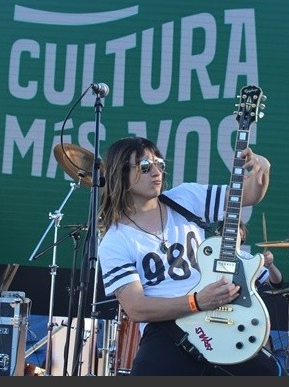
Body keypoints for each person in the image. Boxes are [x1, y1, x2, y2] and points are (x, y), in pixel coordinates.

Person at [97, 136, 279, 376]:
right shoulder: (115, 240)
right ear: (120, 174)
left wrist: (262, 168)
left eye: (159, 164)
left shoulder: (185, 197)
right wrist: (196, 301)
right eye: (145, 167)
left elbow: (247, 196)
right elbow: (137, 308)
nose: (156, 172)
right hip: (167, 331)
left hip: (216, 318)